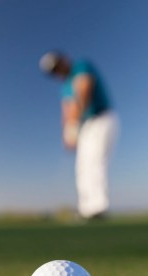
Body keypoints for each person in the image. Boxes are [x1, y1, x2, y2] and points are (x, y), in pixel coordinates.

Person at [39, 51, 119, 220]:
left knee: (95, 162)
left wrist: (75, 122)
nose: (57, 72)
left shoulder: (80, 67)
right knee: (82, 167)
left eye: (57, 66)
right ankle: (86, 208)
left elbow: (84, 88)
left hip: (100, 118)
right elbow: (67, 110)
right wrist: (68, 132)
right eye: (53, 72)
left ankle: (98, 208)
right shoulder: (65, 87)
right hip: (85, 126)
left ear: (63, 60)